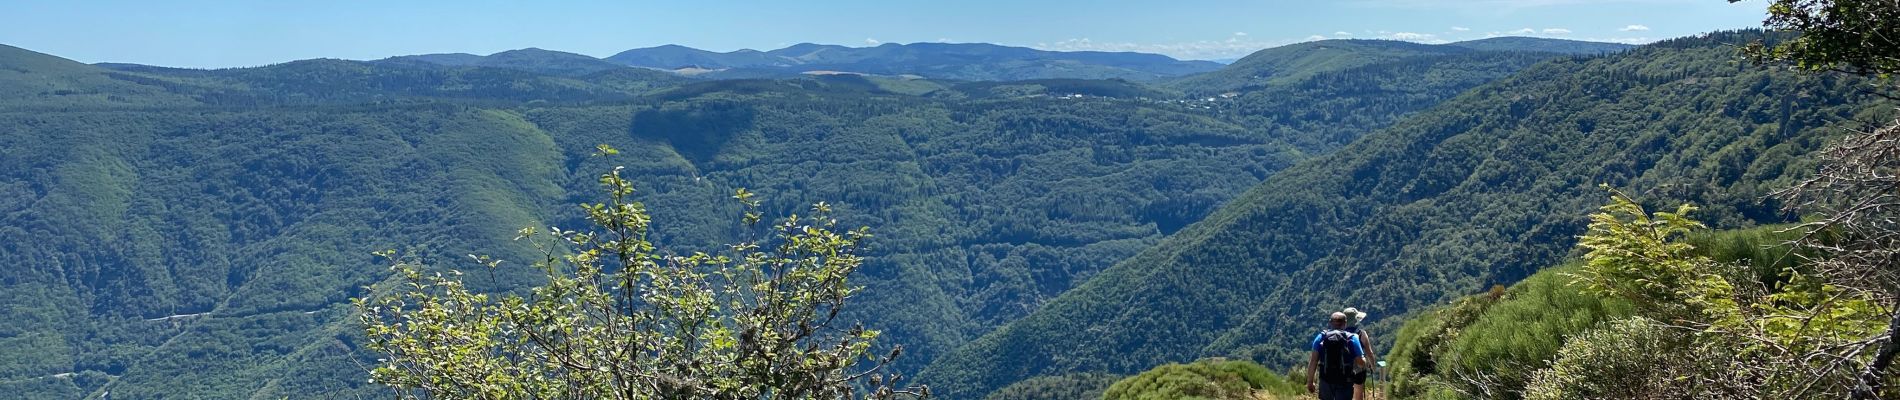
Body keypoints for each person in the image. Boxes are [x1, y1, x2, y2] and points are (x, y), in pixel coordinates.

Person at [1307, 312, 1367, 400]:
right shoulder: (1352, 338)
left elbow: (1313, 361)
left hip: (1325, 379)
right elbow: (1360, 362)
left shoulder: (1321, 337)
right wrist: (1365, 360)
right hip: (1345, 380)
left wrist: (1310, 382)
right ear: (1345, 323)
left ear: (1330, 323)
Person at [1342, 307, 1375, 400]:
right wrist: (1373, 365)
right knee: (1358, 393)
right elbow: (1369, 352)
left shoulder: (1339, 334)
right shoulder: (1361, 334)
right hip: (1358, 368)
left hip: (1342, 368)